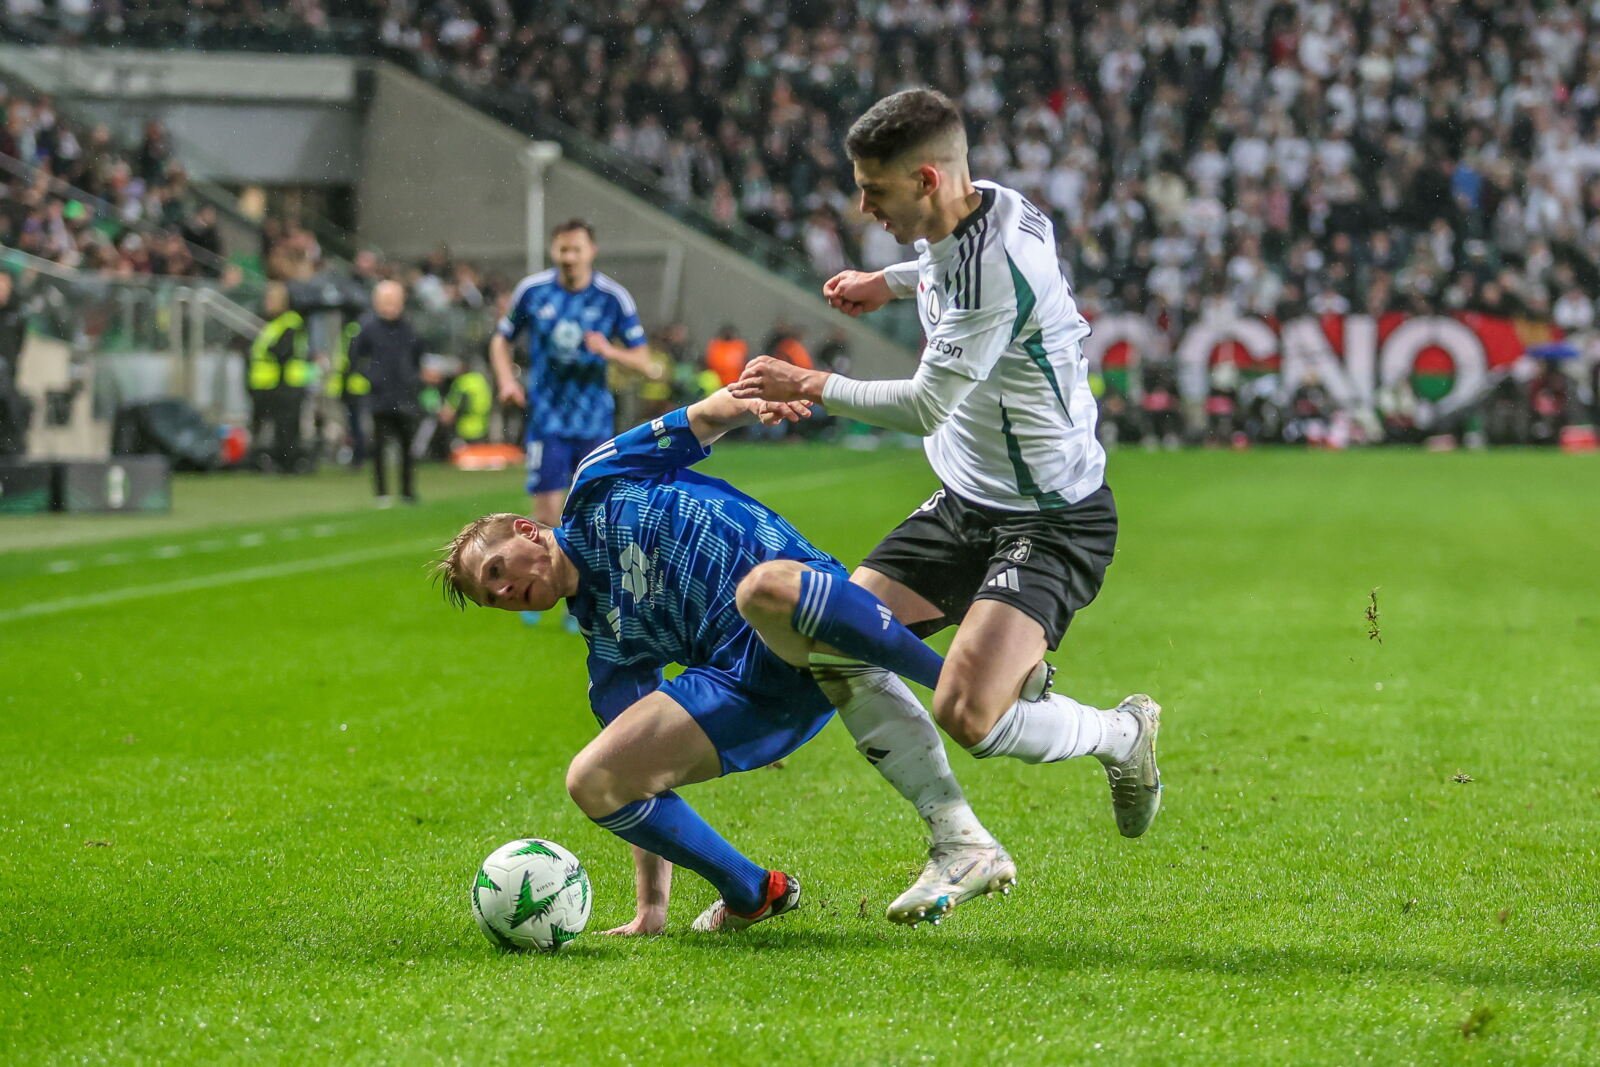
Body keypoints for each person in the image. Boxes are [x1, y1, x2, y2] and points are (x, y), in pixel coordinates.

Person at [732, 90, 1164, 886]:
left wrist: (813, 382)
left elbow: (927, 402)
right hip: (965, 500)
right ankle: (959, 841)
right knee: (838, 640)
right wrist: (886, 282)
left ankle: (1119, 733)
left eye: (876, 190)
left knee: (968, 713)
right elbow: (938, 265)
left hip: (1050, 516)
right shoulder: (989, 204)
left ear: (928, 179)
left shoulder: (992, 268)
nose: (861, 205)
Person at [433, 389, 1004, 932]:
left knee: (771, 588)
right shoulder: (610, 653)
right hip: (756, 690)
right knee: (593, 778)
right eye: (493, 598)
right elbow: (636, 781)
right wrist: (651, 906)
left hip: (806, 601)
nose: (504, 592)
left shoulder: (595, 484)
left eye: (497, 571)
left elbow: (700, 419)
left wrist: (754, 404)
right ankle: (752, 891)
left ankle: (961, 677)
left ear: (528, 531)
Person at [489, 219, 659, 627]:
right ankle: (536, 588)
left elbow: (647, 364)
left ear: (591, 252)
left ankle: (583, 598)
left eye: (575, 250)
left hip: (594, 423)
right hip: (547, 420)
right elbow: (500, 338)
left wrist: (609, 351)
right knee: (546, 512)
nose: (568, 258)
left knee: (593, 515)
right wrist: (507, 380)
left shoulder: (611, 298)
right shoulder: (534, 291)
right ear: (554, 252)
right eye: (562, 250)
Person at [350, 280, 425, 504]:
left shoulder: (409, 327)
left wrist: (412, 379)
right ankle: (382, 492)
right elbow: (355, 358)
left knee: (407, 447)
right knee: (380, 446)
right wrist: (371, 379)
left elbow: (418, 355)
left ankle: (407, 491)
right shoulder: (367, 327)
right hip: (379, 396)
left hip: (405, 395)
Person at [247, 282, 311, 472]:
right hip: (272, 383)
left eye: (271, 299)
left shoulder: (290, 322)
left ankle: (289, 463)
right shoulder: (274, 323)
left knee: (287, 427)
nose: (267, 303)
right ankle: (278, 461)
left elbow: (282, 351)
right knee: (279, 426)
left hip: (287, 383)